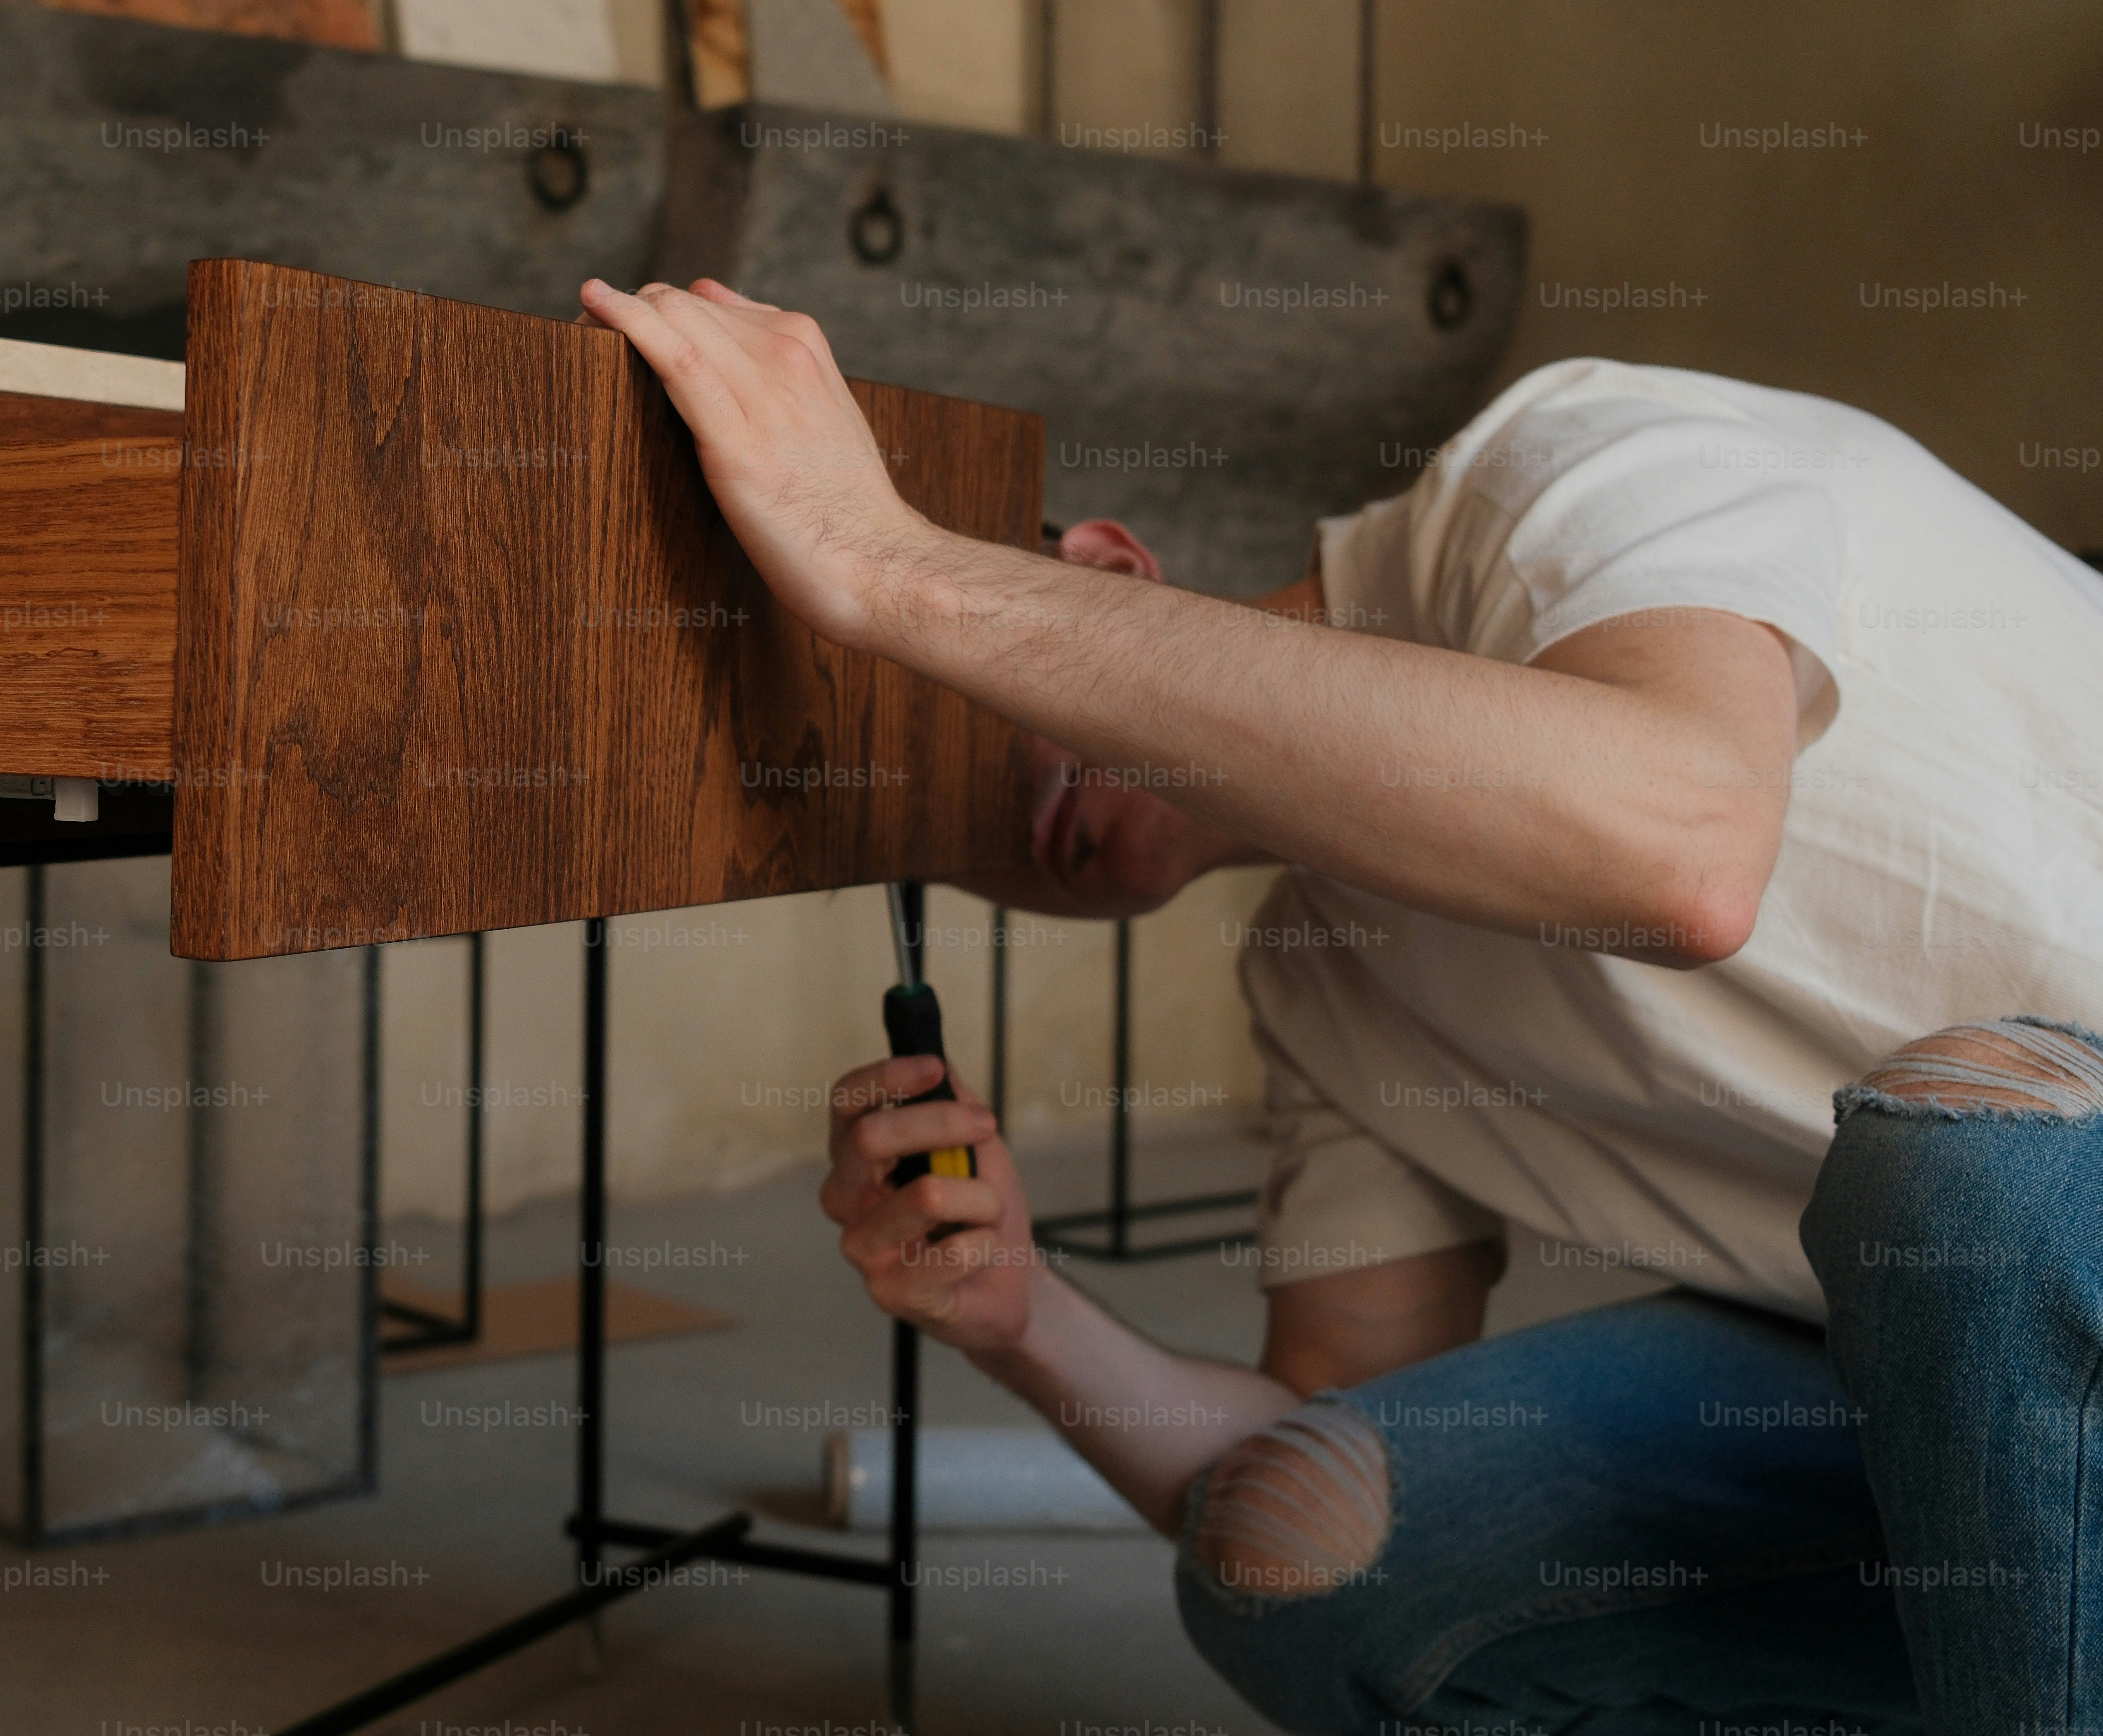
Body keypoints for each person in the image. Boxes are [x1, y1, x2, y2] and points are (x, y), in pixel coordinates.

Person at [577, 274, 2103, 1736]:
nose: (972, 813)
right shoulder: (1328, 989)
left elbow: (1686, 848)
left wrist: (886, 567)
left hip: (2039, 1226)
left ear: (1105, 573)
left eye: (950, 702)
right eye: (917, 824)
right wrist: (1019, 1314)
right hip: (1999, 1417)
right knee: (1306, 1563)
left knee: (1974, 1167)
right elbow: (1295, 1449)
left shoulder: (1557, 466)